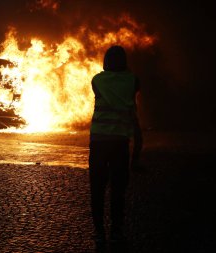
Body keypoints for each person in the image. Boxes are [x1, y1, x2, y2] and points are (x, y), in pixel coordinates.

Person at [89, 45, 142, 252]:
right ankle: (117, 231)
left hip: (99, 142)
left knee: (97, 189)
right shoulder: (133, 81)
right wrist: (137, 154)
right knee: (118, 190)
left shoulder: (97, 80)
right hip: (120, 142)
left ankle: (99, 232)